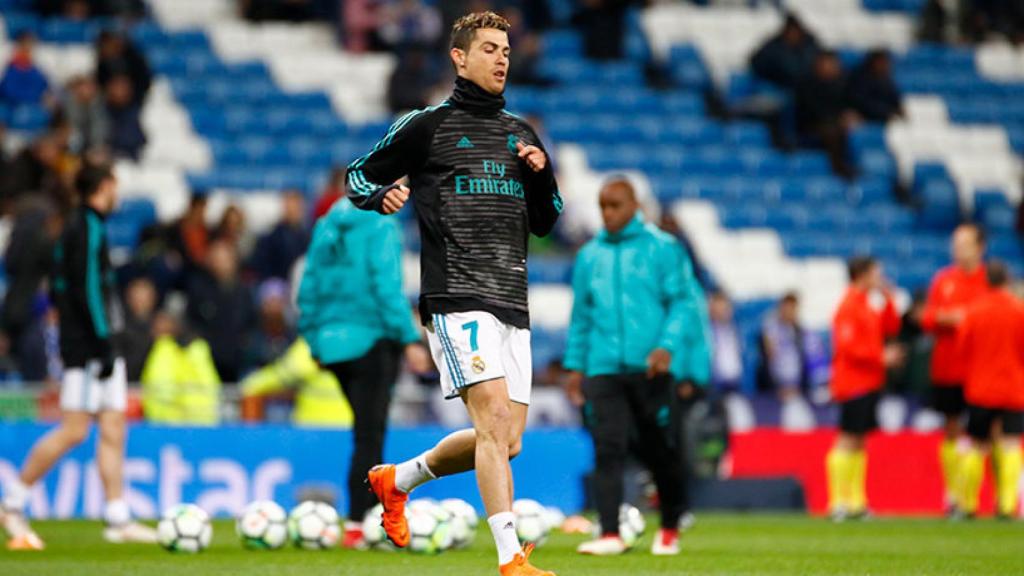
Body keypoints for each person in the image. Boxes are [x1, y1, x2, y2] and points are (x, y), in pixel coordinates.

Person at [348, 12, 562, 575]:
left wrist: (540, 176)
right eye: (489, 49)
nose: (501, 59)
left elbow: (548, 222)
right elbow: (357, 177)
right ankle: (510, 559)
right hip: (456, 295)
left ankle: (400, 479)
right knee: (492, 419)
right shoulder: (426, 126)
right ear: (459, 58)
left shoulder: (523, 134)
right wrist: (382, 196)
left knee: (507, 441)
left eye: (507, 51)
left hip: (512, 301)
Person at [1, 163, 157, 550]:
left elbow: (60, 288)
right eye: (114, 187)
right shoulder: (86, 227)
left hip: (96, 344)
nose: (116, 195)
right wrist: (102, 344)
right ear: (103, 187)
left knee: (113, 427)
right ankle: (13, 503)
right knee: (74, 430)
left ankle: (117, 516)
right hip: (91, 347)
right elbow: (89, 290)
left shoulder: (77, 226)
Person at [562, 178, 697, 556]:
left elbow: (683, 303)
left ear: (635, 205)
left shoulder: (664, 248)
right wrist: (575, 366)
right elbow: (581, 316)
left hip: (650, 366)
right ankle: (610, 533)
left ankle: (670, 524)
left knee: (660, 451)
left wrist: (666, 346)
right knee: (607, 449)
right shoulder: (589, 255)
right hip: (603, 367)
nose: (608, 213)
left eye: (615, 205)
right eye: (603, 206)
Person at [297, 197, 431, 548]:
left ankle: (367, 519)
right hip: (371, 339)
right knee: (369, 437)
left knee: (363, 435)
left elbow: (308, 288)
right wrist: (409, 339)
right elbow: (386, 288)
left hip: (332, 343)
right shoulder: (381, 224)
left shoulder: (326, 225)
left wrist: (315, 339)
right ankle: (360, 523)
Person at [826, 256, 902, 521]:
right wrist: (880, 357)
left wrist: (889, 297)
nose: (879, 278)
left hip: (869, 381)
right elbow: (848, 346)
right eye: (875, 273)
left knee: (860, 441)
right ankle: (837, 501)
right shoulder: (848, 306)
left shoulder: (868, 305)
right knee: (847, 438)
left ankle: (857, 501)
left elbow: (891, 326)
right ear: (862, 274)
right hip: (852, 383)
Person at [921, 223, 989, 514]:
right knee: (951, 430)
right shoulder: (943, 280)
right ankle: (952, 494)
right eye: (955, 243)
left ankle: (974, 497)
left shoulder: (989, 280)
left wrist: (967, 319)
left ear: (979, 248)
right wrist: (947, 318)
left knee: (984, 434)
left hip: (980, 369)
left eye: (964, 244)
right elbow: (928, 318)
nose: (958, 249)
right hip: (947, 368)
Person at [957, 261, 1024, 519]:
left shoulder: (973, 311)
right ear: (1006, 279)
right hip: (1012, 388)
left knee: (977, 445)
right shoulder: (1019, 311)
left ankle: (968, 505)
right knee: (1010, 445)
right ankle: (1007, 505)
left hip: (981, 389)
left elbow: (963, 348)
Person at [185, 240, 257, 382]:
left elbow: (251, 322)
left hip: (239, 362)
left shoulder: (244, 291)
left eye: (225, 259)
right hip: (208, 363)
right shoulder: (199, 289)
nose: (221, 264)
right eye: (217, 259)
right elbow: (192, 322)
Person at [794, 50, 857, 179]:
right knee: (832, 132)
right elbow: (809, 112)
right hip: (809, 127)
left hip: (834, 124)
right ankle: (839, 168)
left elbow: (850, 104)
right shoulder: (807, 85)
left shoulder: (842, 84)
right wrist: (836, 119)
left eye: (833, 64)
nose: (830, 67)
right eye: (827, 64)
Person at [250, 190, 310, 282]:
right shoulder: (272, 236)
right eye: (289, 206)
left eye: (296, 206)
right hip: (277, 284)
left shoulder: (307, 236)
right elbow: (263, 264)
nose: (293, 210)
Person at [750, 14, 820, 89]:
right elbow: (756, 62)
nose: (793, 35)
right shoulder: (773, 47)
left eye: (795, 32)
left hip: (809, 87)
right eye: (790, 32)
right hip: (780, 87)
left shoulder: (810, 45)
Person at [845, 50, 903, 124]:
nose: (885, 65)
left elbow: (894, 97)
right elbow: (861, 102)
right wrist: (887, 112)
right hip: (863, 116)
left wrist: (898, 109)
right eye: (881, 62)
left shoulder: (886, 79)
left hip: (884, 117)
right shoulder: (859, 78)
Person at [0, 31, 50, 108]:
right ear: (19, 45)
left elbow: (44, 86)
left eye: (31, 45)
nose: (29, 48)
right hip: (13, 106)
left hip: (34, 105)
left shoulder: (36, 67)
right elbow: (9, 91)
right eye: (26, 44)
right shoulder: (9, 66)